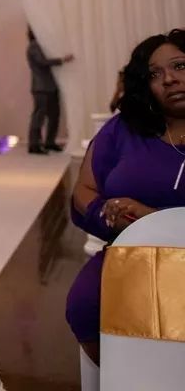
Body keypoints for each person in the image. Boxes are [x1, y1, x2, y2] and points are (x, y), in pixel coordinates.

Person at [66, 29, 185, 365]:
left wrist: (153, 219)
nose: (170, 80)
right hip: (132, 252)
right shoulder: (124, 128)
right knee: (87, 304)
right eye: (155, 74)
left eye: (180, 66)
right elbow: (83, 191)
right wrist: (106, 212)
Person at [26, 27, 74, 153]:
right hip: (41, 87)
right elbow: (42, 62)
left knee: (54, 115)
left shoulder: (43, 45)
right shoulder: (34, 46)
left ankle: (49, 142)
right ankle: (34, 144)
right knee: (39, 116)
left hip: (50, 86)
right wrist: (62, 60)